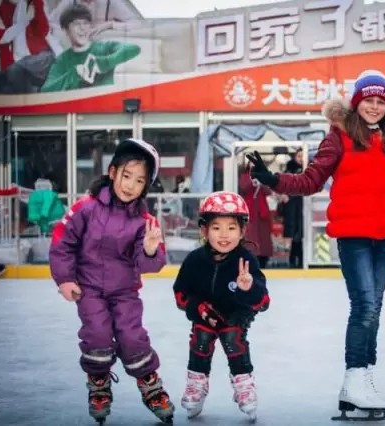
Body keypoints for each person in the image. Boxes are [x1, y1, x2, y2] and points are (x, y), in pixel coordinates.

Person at [246, 69, 385, 420]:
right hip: (354, 235)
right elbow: (310, 180)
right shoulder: (339, 136)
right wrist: (273, 179)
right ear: (357, 102)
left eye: (381, 101)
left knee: (374, 309)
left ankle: (364, 382)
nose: (374, 107)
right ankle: (353, 381)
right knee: (364, 306)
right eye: (368, 100)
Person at [48, 138, 175, 424]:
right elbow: (63, 243)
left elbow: (149, 264)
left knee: (132, 337)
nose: (130, 185)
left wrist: (150, 249)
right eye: (127, 176)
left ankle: (151, 385)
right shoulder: (85, 208)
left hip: (125, 292)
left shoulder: (144, 222)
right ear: (113, 171)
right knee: (97, 335)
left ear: (146, 187)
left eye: (139, 181)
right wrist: (65, 279)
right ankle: (99, 384)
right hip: (89, 290)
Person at [173, 191, 270, 421]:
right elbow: (180, 295)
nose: (224, 235)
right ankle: (197, 384)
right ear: (204, 230)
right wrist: (198, 307)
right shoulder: (195, 260)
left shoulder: (246, 260)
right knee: (201, 336)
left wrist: (248, 288)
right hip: (204, 312)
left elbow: (263, 301)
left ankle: (244, 385)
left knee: (232, 337)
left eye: (231, 228)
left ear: (242, 231)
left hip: (236, 313)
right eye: (216, 228)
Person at [40, 3, 140, 92]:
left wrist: (104, 62)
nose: (82, 28)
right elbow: (45, 90)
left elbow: (134, 48)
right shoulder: (61, 60)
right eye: (76, 24)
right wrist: (74, 74)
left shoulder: (104, 48)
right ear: (66, 30)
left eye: (85, 23)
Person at [239, 163, 273, 267]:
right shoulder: (244, 176)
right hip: (250, 211)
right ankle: (252, 258)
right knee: (251, 236)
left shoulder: (264, 176)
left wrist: (262, 182)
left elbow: (269, 191)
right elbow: (243, 188)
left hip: (262, 212)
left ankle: (263, 259)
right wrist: (252, 182)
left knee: (264, 238)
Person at [278, 148, 304, 268]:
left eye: (303, 156)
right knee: (294, 234)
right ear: (295, 157)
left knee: (302, 233)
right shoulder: (289, 170)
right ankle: (294, 259)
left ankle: (301, 259)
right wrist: (283, 195)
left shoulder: (310, 169)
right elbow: (281, 186)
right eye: (299, 156)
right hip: (292, 206)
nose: (301, 159)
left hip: (304, 205)